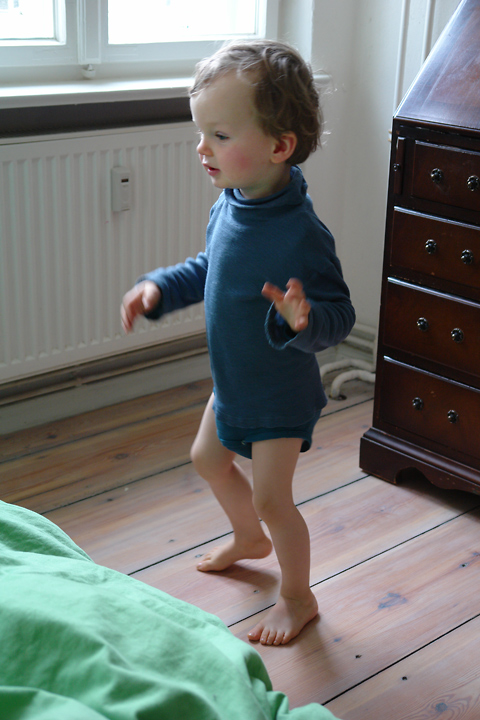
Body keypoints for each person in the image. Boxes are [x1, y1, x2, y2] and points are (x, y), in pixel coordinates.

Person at [121, 40, 355, 646]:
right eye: (201, 133)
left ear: (280, 147)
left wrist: (304, 320)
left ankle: (298, 597)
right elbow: (210, 268)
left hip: (278, 395)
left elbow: (340, 316)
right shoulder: (231, 203)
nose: (202, 148)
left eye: (220, 136)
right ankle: (249, 538)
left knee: (276, 501)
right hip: (233, 382)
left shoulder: (301, 234)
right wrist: (160, 287)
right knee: (207, 459)